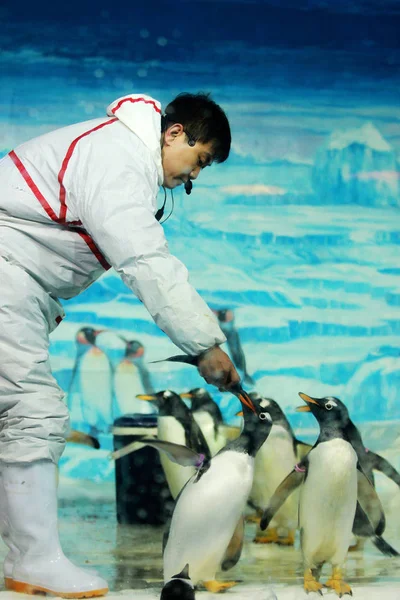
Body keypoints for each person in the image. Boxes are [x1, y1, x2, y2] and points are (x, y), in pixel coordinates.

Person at [0, 91, 240, 597]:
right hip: (6, 276)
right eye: (198, 161)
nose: (193, 177)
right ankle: (34, 560)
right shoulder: (116, 156)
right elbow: (144, 259)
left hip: (18, 284)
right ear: (174, 133)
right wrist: (203, 344)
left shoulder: (115, 152)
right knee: (33, 410)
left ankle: (29, 557)